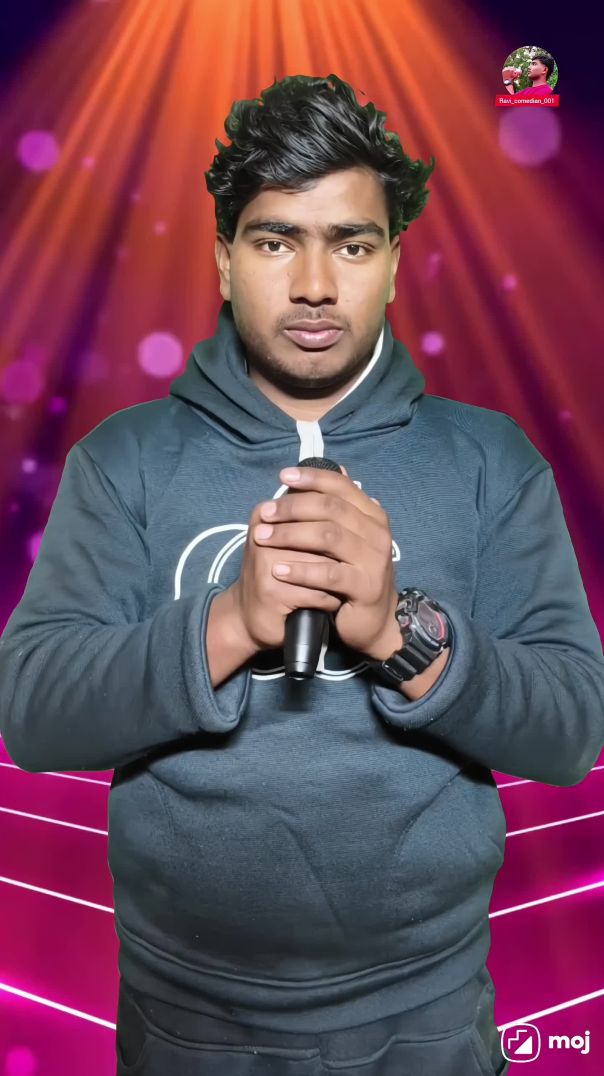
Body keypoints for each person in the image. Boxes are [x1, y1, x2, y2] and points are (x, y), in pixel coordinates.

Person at [0, 72, 602, 1076]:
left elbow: (573, 729)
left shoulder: (491, 463)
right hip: (184, 1020)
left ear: (394, 264)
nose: (315, 284)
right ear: (224, 259)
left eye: (352, 244)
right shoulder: (124, 460)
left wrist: (398, 629)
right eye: (276, 241)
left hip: (428, 1015)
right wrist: (231, 621)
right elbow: (32, 711)